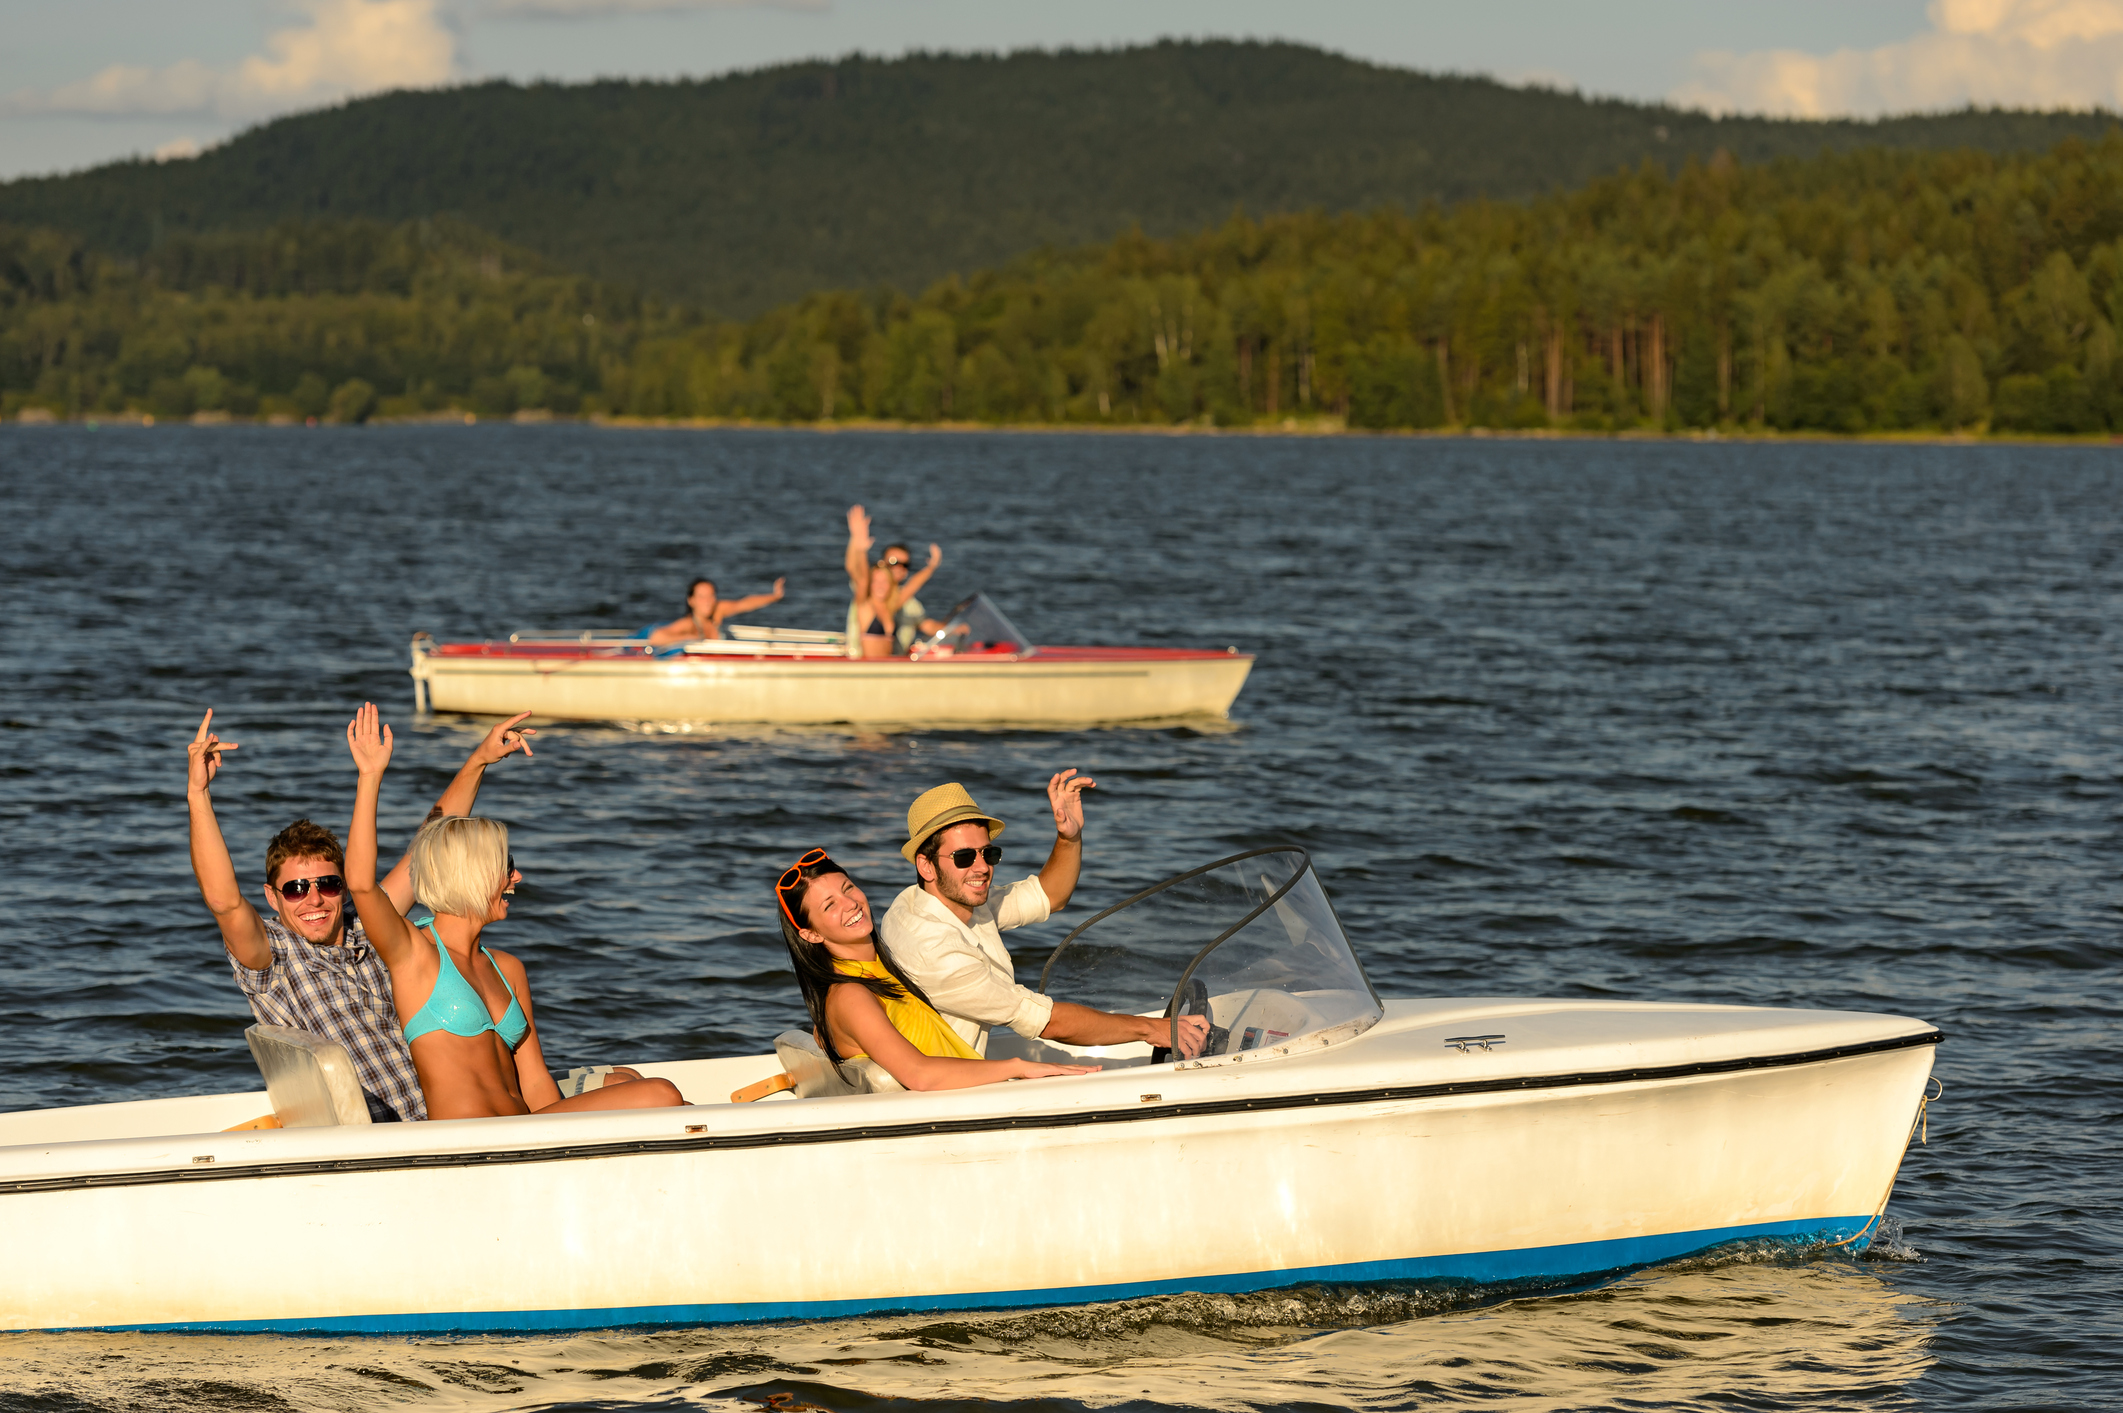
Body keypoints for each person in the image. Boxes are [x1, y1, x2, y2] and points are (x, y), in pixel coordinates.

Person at [186, 708, 539, 1123]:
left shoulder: (369, 927)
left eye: (328, 885)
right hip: (382, 1142)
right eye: (296, 889)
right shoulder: (272, 958)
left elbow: (428, 847)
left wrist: (478, 760)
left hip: (446, 1118)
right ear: (272, 897)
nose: (314, 900)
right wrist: (198, 794)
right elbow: (225, 901)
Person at [342, 702, 687, 1120]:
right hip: (467, 1142)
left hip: (524, 1131)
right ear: (471, 874)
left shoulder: (508, 968)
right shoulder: (413, 953)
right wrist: (370, 776)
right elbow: (361, 884)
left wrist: (478, 762)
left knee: (661, 1100)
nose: (517, 877)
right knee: (661, 1095)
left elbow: (537, 1085)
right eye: (505, 867)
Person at [881, 776, 1211, 1060]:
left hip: (954, 1073)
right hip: (929, 1100)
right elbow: (1047, 1021)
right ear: (925, 866)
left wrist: (1069, 837)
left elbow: (1049, 896)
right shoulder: (933, 948)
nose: (982, 867)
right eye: (964, 857)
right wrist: (1152, 1029)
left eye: (989, 853)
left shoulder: (930, 900)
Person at [774, 850, 1094, 1090]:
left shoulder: (873, 971)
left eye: (848, 888)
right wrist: (1018, 1067)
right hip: (955, 1115)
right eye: (829, 905)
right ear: (811, 934)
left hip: (966, 1100)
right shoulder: (851, 994)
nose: (850, 903)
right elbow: (920, 1074)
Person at [843, 505, 939, 659]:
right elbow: (859, 575)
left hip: (888, 668)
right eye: (876, 581)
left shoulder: (891, 605)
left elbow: (912, 586)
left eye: (885, 581)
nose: (880, 585)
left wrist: (932, 567)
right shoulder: (864, 602)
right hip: (867, 670)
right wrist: (860, 547)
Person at [644, 575, 786, 648]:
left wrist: (774, 596)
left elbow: (744, 604)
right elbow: (656, 638)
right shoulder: (689, 624)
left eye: (711, 595)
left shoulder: (717, 611)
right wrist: (688, 638)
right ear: (691, 600)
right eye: (701, 596)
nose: (707, 601)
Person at [881, 541, 944, 653]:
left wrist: (954, 630)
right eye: (893, 562)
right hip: (871, 663)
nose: (899, 568)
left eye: (905, 565)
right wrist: (931, 568)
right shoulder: (872, 593)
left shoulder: (910, 603)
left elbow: (927, 625)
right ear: (881, 564)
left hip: (898, 663)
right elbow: (901, 597)